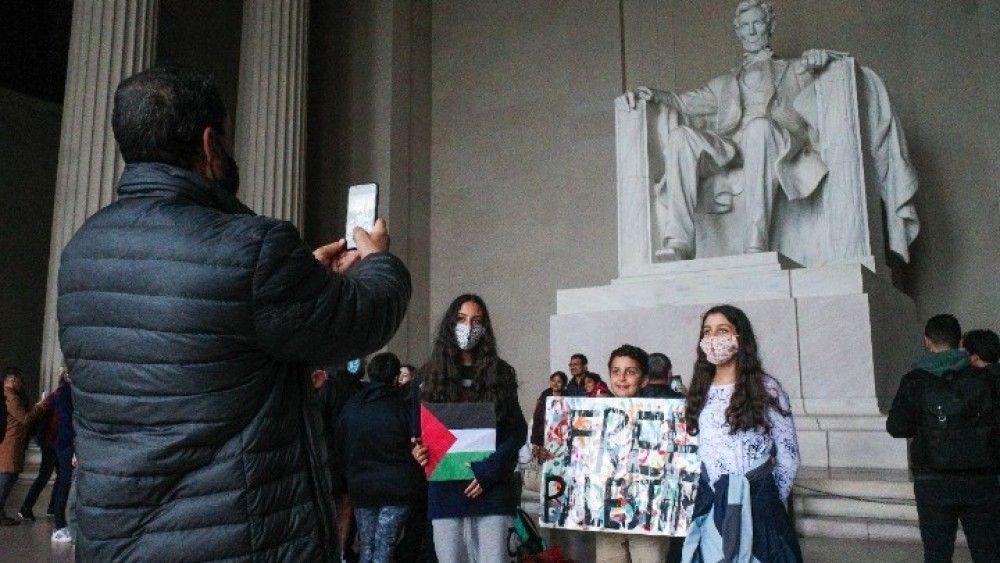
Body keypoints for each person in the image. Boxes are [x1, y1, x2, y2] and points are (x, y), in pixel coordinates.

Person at [55, 66, 411, 560]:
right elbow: (364, 315)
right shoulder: (250, 248)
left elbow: (204, 341)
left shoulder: (81, 252)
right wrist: (379, 261)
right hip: (236, 541)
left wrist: (299, 279)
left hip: (117, 543)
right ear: (208, 144)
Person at [627, 0, 839, 258]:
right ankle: (680, 242)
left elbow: (832, 70)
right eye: (745, 26)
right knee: (681, 137)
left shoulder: (796, 69)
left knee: (758, 128)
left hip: (774, 140)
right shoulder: (725, 83)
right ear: (738, 31)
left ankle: (756, 241)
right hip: (733, 147)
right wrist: (649, 95)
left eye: (757, 23)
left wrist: (819, 59)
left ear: (770, 26)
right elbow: (683, 102)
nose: (751, 31)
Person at [411, 294, 527, 563]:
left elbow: (516, 432)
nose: (468, 326)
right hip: (445, 492)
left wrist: (488, 472)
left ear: (484, 328)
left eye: (476, 321)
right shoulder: (427, 376)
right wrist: (417, 448)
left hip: (492, 490)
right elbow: (417, 429)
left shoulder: (500, 373)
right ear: (450, 324)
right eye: (462, 319)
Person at [681, 304, 801, 562]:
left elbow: (788, 455)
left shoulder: (767, 388)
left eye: (722, 330)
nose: (713, 339)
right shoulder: (699, 391)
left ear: (739, 337)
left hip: (760, 506)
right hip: (712, 501)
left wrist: (765, 501)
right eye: (707, 332)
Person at [887, 315, 1000, 562]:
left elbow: (896, 426)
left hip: (933, 481)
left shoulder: (914, 380)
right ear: (960, 341)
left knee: (937, 555)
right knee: (989, 554)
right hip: (982, 479)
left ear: (927, 341)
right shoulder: (987, 377)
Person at [338, 352, 425, 563]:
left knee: (366, 545)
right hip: (397, 487)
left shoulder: (352, 407)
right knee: (385, 544)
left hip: (361, 487)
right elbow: (417, 440)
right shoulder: (403, 407)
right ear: (396, 377)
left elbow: (341, 444)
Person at [594, 344, 678, 563]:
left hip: (649, 513)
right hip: (607, 512)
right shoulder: (594, 415)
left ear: (644, 379)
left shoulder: (665, 416)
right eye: (616, 371)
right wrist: (555, 454)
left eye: (630, 372)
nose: (622, 378)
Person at [0, 368, 42, 526]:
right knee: (5, 480)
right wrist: (40, 407)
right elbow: (25, 419)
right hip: (10, 445)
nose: (21, 384)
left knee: (8, 478)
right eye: (19, 380)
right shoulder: (11, 397)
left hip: (10, 444)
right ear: (12, 380)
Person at [530, 371, 567, 463]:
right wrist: (535, 441)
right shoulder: (544, 396)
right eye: (553, 381)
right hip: (544, 436)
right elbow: (537, 419)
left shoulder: (567, 398)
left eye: (559, 381)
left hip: (561, 438)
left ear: (563, 384)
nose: (555, 383)